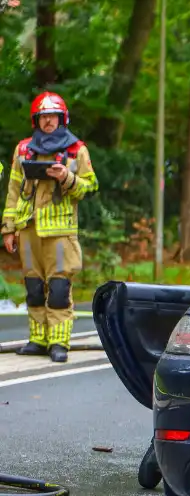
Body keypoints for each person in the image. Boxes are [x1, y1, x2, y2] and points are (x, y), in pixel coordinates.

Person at [2, 92, 98, 363]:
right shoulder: (23, 150)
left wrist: (67, 178)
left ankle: (59, 342)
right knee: (33, 287)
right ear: (36, 120)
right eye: (43, 117)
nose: (48, 121)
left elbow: (90, 187)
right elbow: (13, 191)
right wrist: (8, 229)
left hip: (60, 234)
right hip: (28, 230)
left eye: (52, 116)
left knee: (58, 290)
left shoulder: (76, 150)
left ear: (62, 118)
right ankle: (38, 339)